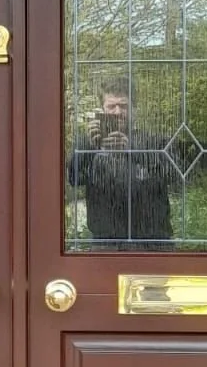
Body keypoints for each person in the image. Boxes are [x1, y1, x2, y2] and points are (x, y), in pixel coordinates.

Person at [67, 77, 176, 250]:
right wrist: (89, 147)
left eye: (123, 106)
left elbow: (173, 175)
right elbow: (73, 178)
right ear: (102, 109)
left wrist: (131, 149)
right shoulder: (88, 143)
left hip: (153, 243)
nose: (118, 112)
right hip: (106, 244)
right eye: (111, 106)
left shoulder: (155, 142)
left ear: (134, 109)